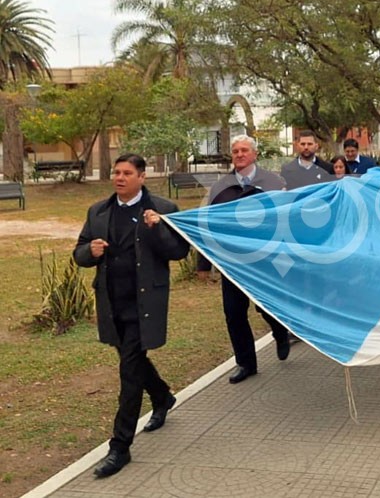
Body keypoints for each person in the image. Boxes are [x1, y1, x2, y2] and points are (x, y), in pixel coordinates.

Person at [73, 153, 189, 478]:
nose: (119, 177)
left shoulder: (163, 210)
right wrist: (88, 252)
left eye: (127, 173)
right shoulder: (98, 211)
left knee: (129, 373)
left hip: (145, 305)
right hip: (112, 305)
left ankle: (120, 447)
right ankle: (163, 396)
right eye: (116, 172)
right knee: (131, 360)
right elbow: (79, 252)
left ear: (141, 176)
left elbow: (180, 251)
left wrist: (156, 230)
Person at [198, 135, 291, 384]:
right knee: (234, 312)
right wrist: (203, 264)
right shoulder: (220, 187)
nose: (239, 154)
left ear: (254, 154)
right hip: (233, 261)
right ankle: (246, 363)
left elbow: (286, 220)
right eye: (235, 151)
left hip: (266, 259)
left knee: (266, 305)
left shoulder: (273, 182)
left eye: (244, 150)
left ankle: (280, 331)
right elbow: (207, 224)